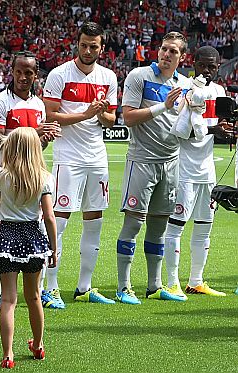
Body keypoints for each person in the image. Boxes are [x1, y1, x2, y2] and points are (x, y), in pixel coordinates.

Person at [42, 21, 118, 307]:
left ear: (102, 47)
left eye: (93, 46)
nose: (88, 50)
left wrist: (99, 114)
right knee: (58, 223)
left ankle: (84, 287)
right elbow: (50, 115)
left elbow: (111, 119)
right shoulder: (59, 74)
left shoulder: (108, 76)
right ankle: (50, 287)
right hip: (68, 157)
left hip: (97, 156)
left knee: (94, 223)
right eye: (84, 44)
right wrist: (86, 114)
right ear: (77, 43)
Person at [116, 31, 192, 305]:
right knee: (134, 223)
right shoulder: (139, 76)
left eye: (173, 51)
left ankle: (154, 285)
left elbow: (185, 124)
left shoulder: (185, 84)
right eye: (163, 49)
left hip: (171, 162)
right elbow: (128, 117)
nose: (166, 54)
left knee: (159, 227)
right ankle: (123, 287)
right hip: (142, 160)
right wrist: (164, 106)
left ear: (182, 57)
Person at [0, 51, 60, 311]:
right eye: (19, 71)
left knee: (34, 228)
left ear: (35, 75)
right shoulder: (0, 103)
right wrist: (34, 132)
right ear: (12, 71)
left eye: (28, 72)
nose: (23, 77)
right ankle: (0, 293)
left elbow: (36, 149)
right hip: (5, 179)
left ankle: (35, 292)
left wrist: (45, 139)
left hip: (30, 179)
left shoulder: (39, 105)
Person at [0, 127, 57, 368]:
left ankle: (8, 354)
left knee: (8, 300)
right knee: (34, 296)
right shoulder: (44, 177)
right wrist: (54, 249)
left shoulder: (1, 174)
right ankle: (38, 345)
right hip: (33, 237)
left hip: (6, 235)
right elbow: (49, 217)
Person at [165, 46, 228, 298]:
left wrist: (226, 130)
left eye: (212, 66)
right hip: (184, 169)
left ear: (219, 66)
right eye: (203, 65)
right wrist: (215, 131)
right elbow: (180, 131)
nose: (207, 71)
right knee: (176, 225)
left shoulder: (219, 92)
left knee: (205, 225)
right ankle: (172, 282)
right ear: (194, 63)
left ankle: (196, 281)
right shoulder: (185, 90)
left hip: (207, 170)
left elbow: (219, 127)